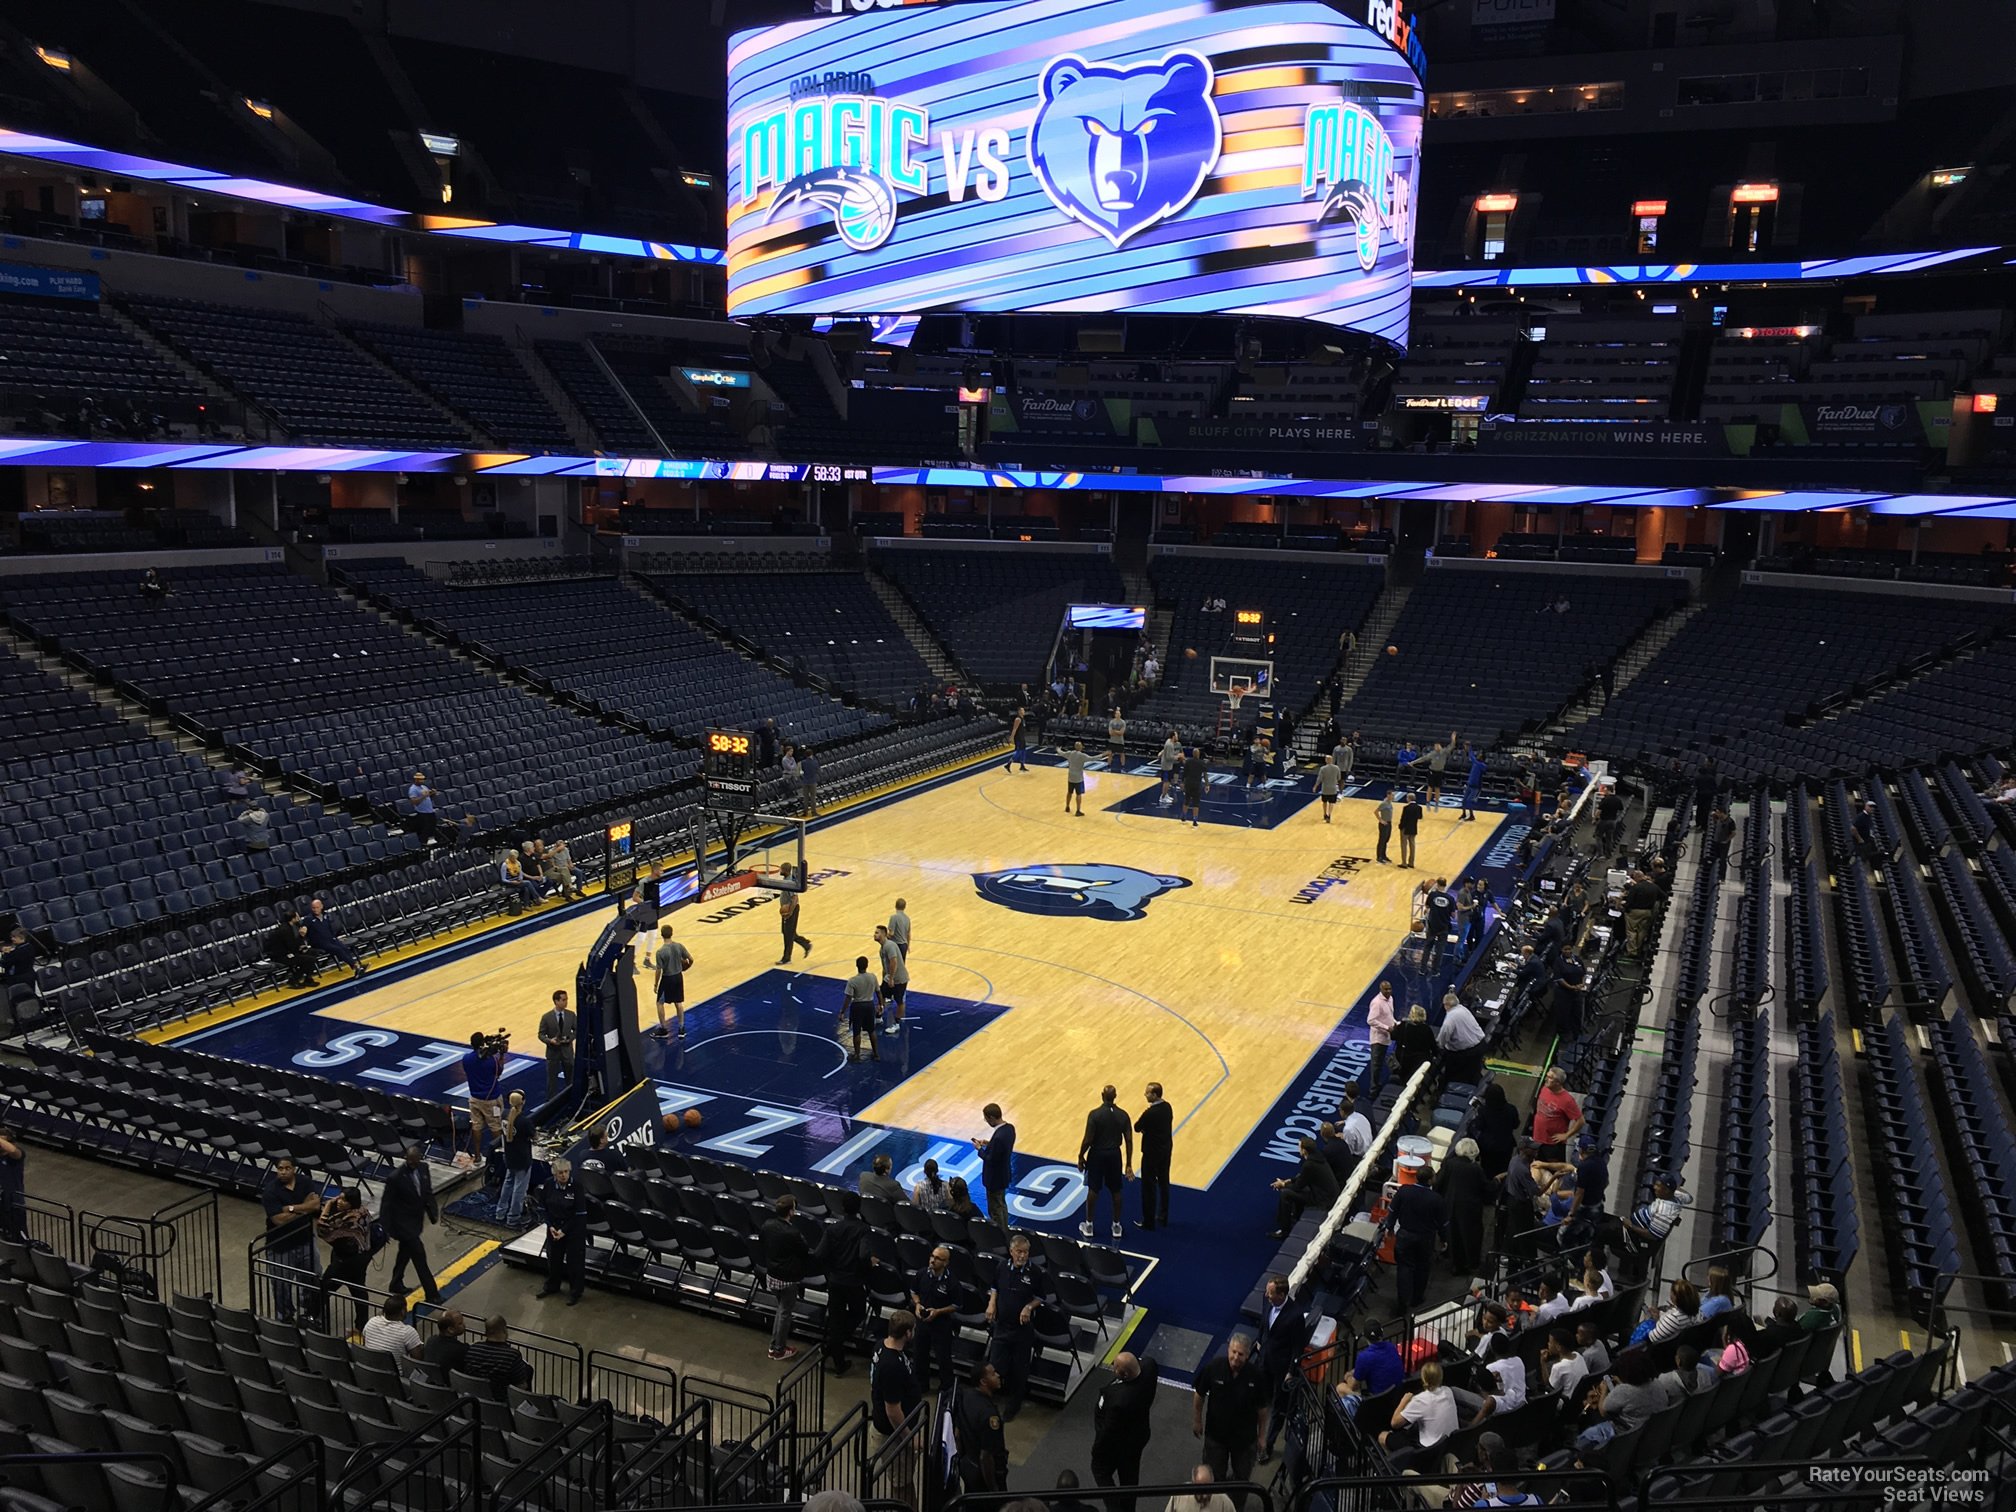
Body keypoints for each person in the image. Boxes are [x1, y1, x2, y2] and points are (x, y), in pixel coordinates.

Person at [1193, 1334, 1267, 1493]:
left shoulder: (1256, 1376)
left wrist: (1261, 1436)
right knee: (1213, 1478)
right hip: (1216, 1437)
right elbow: (1199, 1394)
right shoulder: (1213, 1367)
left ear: (1247, 1355)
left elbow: (1262, 1409)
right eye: (1233, 1351)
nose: (1235, 1357)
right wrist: (1197, 1421)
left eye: (1240, 1354)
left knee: (1241, 1481)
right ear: (1228, 1350)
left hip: (1245, 1441)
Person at [987, 1230, 1050, 1417]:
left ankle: (1014, 1404)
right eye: (1019, 1252)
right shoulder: (1001, 1267)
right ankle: (990, 1401)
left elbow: (1041, 1297)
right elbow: (994, 1286)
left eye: (1026, 1252)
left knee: (1019, 1370)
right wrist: (992, 1303)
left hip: (1022, 1331)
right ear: (1011, 1251)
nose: (1023, 1255)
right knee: (995, 1365)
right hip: (1002, 1326)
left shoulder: (1035, 1272)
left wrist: (1028, 1307)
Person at [814, 1191, 873, 1373]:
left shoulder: (833, 1229)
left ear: (842, 1208)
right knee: (858, 1314)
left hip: (835, 1281)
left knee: (836, 1318)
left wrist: (831, 1270)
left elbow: (819, 1254)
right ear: (859, 1209)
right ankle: (834, 1345)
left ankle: (836, 1354)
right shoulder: (863, 1229)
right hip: (854, 1282)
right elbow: (863, 1255)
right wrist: (868, 1265)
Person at [259, 1154, 321, 1324]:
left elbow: (316, 1205)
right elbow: (278, 1220)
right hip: (281, 1246)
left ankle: (309, 1311)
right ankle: (285, 1316)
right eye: (280, 1169)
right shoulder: (271, 1191)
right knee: (281, 1285)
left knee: (313, 1277)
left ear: (294, 1169)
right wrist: (305, 1208)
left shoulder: (305, 1182)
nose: (283, 1172)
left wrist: (291, 1208)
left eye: (287, 1168)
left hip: (306, 1240)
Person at [1255, 1276, 1309, 1460]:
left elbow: (1297, 1347)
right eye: (1267, 1292)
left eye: (1271, 1293)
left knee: (1278, 1407)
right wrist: (1259, 1340)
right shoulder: (1267, 1299)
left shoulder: (1295, 1315)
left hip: (1281, 1367)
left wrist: (1290, 1372)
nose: (1267, 1296)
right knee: (1259, 1399)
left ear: (1282, 1294)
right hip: (1264, 1360)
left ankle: (1267, 1445)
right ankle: (1254, 1437)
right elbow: (1263, 1321)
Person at [383, 1143, 442, 1303]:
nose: (413, 1165)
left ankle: (395, 1283)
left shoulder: (423, 1169)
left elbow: (427, 1192)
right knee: (419, 1258)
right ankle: (432, 1294)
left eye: (415, 1161)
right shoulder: (395, 1177)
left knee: (404, 1253)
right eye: (410, 1161)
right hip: (403, 1225)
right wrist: (386, 1228)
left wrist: (432, 1212)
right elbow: (386, 1204)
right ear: (405, 1159)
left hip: (416, 1221)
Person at [314, 1187, 372, 1337]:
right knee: (359, 1291)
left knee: (324, 1288)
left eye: (344, 1200)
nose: (339, 1202)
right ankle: (361, 1326)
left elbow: (323, 1230)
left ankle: (316, 1321)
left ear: (352, 1202)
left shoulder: (349, 1218)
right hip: (361, 1257)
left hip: (346, 1261)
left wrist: (326, 1208)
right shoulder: (363, 1211)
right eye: (339, 1198)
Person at [1390, 1166, 1448, 1314]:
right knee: (1422, 1267)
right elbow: (1442, 1223)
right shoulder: (1436, 1199)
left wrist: (1389, 1228)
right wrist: (1444, 1238)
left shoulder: (1404, 1191)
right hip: (1425, 1238)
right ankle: (1417, 1298)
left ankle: (1402, 1303)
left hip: (1405, 1235)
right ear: (1430, 1180)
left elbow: (1392, 1211)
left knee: (1404, 1268)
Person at [1078, 1083, 1133, 1240]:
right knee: (1116, 1191)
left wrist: (1081, 1155)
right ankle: (1116, 1226)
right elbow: (1129, 1140)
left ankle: (1089, 1225)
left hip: (1097, 1154)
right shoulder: (1123, 1115)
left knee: (1093, 1189)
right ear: (1115, 1096)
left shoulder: (1094, 1115)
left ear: (1102, 1095)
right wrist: (1128, 1163)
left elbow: (1088, 1139)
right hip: (1114, 1155)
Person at [759, 1196, 811, 1360]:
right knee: (784, 1313)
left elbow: (762, 1242)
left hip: (772, 1274)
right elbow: (804, 1251)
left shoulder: (767, 1225)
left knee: (781, 1310)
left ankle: (775, 1346)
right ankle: (779, 1349)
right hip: (787, 1278)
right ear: (791, 1212)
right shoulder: (792, 1233)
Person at [1380, 1359, 1456, 1467]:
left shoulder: (1420, 1400)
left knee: (1383, 1436)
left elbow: (1394, 1423)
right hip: (1447, 1446)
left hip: (1427, 1451)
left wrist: (1404, 1401)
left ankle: (1394, 1468)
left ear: (1423, 1378)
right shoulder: (1448, 1391)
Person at [534, 1159, 589, 1306]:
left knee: (574, 1263)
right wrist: (550, 1226)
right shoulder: (548, 1184)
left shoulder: (577, 1187)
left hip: (573, 1231)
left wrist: (564, 1231)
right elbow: (542, 1207)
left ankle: (575, 1292)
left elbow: (580, 1213)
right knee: (553, 1259)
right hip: (554, 1229)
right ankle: (552, 1286)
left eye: (566, 1172)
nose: (564, 1175)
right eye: (560, 1173)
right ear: (554, 1174)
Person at [1436, 1139, 1492, 1275]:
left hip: (1450, 1206)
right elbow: (1486, 1189)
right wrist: (1496, 1181)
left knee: (1453, 1234)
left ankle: (1454, 1262)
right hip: (1470, 1209)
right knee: (1469, 1237)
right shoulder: (1475, 1169)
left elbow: (1439, 1184)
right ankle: (1469, 1263)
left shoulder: (1449, 1163)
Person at [1268, 1135, 1339, 1240]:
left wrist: (1283, 1185)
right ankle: (1297, 1214)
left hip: (1323, 1199)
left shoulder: (1309, 1164)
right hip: (1329, 1193)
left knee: (1285, 1193)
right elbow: (1304, 1177)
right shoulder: (1318, 1157)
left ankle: (1284, 1231)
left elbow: (1298, 1186)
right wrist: (1289, 1181)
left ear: (1304, 1151)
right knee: (1295, 1183)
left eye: (1299, 1147)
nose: (1298, 1149)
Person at [909, 1245, 959, 1392]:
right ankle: (921, 1385)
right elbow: (913, 1291)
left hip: (941, 1324)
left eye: (938, 1259)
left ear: (945, 1262)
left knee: (943, 1358)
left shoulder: (952, 1282)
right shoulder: (922, 1274)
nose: (933, 1260)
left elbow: (956, 1305)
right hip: (922, 1322)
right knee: (919, 1355)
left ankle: (946, 1388)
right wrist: (917, 1304)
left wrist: (938, 1311)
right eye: (932, 1256)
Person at [952, 1364, 1008, 1491]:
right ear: (983, 1381)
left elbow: (958, 1434)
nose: (998, 1375)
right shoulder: (989, 1415)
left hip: (968, 1466)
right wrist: (993, 1487)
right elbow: (986, 1456)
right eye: (993, 1374)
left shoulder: (966, 1396)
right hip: (983, 1475)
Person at [871, 1311, 923, 1436]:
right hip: (892, 1434)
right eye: (913, 1329)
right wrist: (908, 1437)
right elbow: (893, 1411)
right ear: (908, 1333)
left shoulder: (881, 1344)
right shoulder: (891, 1366)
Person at [462, 1031, 507, 1161]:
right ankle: (500, 1157)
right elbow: (499, 1072)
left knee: (476, 1126)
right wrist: (502, 1055)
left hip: (474, 1098)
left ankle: (477, 1156)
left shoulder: (466, 1059)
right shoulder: (491, 1060)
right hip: (490, 1099)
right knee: (495, 1126)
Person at [1135, 1081, 1172, 1231]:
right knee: (1164, 1183)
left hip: (1151, 1153)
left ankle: (1148, 1221)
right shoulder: (1167, 1107)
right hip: (1166, 1150)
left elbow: (1137, 1127)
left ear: (1155, 1095)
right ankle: (1163, 1216)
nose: (1145, 1094)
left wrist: (1146, 1130)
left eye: (1148, 1093)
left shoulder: (1150, 1113)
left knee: (1148, 1187)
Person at [496, 1091, 537, 1226]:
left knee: (508, 1183)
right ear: (523, 1102)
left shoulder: (504, 1115)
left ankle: (500, 1212)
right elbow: (534, 1136)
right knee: (519, 1188)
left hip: (508, 1155)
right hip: (522, 1158)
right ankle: (513, 1217)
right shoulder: (524, 1121)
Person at [462, 1315, 534, 1390]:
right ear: (504, 1330)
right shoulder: (512, 1356)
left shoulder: (474, 1349)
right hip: (502, 1399)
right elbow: (521, 1386)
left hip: (476, 1398)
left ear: (486, 1332)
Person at [976, 1104, 1017, 1227]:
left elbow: (990, 1159)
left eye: (987, 1119)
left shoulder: (998, 1137)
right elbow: (1001, 1148)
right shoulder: (1009, 1128)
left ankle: (1000, 1233)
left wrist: (979, 1149)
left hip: (995, 1178)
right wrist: (990, 1143)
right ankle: (1004, 1229)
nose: (986, 1121)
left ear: (992, 1117)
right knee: (1001, 1204)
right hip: (1004, 1173)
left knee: (995, 1210)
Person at [302, 898, 365, 978]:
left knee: (344, 947)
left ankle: (356, 966)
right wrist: (303, 931)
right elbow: (303, 929)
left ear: (321, 906)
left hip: (330, 939)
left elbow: (330, 929)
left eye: (317, 907)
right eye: (313, 908)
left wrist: (336, 938)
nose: (315, 910)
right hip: (319, 943)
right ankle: (356, 966)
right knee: (337, 949)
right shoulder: (308, 919)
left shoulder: (326, 916)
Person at [1531, 1068, 1583, 1161]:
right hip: (1537, 1137)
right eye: (1547, 1076)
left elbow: (1580, 1121)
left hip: (1552, 1144)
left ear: (1558, 1083)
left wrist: (1566, 1135)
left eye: (1550, 1078)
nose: (1546, 1079)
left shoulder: (1567, 1100)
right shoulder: (1545, 1088)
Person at [1436, 993, 1486, 1086]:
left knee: (1454, 1076)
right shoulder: (1463, 1009)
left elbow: (1442, 1040)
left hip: (1466, 1053)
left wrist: (1439, 1047)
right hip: (1480, 1046)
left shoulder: (1450, 1019)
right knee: (1474, 1073)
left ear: (1446, 1005)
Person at [653, 925, 693, 1038]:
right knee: (678, 1002)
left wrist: (656, 984)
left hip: (667, 978)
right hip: (678, 977)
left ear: (661, 935)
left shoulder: (660, 952)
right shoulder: (679, 946)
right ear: (672, 933)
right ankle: (681, 1029)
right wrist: (686, 968)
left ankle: (664, 1029)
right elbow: (691, 959)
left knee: (659, 1003)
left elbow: (658, 970)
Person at [838, 954, 881, 1061]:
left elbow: (848, 998)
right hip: (870, 1005)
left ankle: (857, 1055)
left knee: (856, 1031)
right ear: (867, 965)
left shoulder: (852, 981)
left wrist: (842, 1011)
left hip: (857, 1006)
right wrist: (881, 1004)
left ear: (856, 966)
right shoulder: (873, 977)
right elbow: (878, 992)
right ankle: (876, 1054)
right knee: (871, 1030)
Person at [538, 990, 577, 1103]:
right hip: (552, 1052)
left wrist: (570, 1038)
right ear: (556, 1001)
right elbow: (541, 1034)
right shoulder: (546, 1017)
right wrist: (550, 1041)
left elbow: (577, 1030)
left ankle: (572, 1098)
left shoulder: (571, 1015)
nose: (566, 1002)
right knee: (552, 1079)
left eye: (566, 999)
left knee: (570, 1077)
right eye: (563, 1000)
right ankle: (551, 1101)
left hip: (567, 1051)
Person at [1473, 1083, 1518, 1179]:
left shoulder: (1483, 1111)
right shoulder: (1511, 1109)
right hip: (1506, 1146)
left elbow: (1479, 1126)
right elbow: (1516, 1125)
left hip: (1488, 1148)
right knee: (1503, 1169)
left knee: (1487, 1170)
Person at [264, 908, 317, 988]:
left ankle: (308, 978)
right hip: (283, 955)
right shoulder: (285, 930)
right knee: (310, 959)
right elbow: (291, 946)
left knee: (312, 953)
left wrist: (301, 946)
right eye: (297, 916)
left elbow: (293, 944)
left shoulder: (293, 926)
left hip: (290, 951)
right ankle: (294, 980)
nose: (299, 917)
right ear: (293, 918)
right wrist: (301, 937)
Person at [363, 1293, 423, 1359]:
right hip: (394, 1369)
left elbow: (365, 1342)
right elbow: (417, 1359)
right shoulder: (407, 1332)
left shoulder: (371, 1322)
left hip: (368, 1367)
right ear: (402, 1311)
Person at [876, 923, 909, 1035]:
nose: (874, 935)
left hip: (899, 978)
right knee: (881, 995)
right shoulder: (882, 949)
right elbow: (885, 966)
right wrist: (884, 979)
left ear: (884, 934)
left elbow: (893, 962)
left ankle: (897, 1024)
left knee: (899, 1001)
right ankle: (878, 1016)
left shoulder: (889, 946)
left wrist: (891, 978)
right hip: (889, 977)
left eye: (877, 933)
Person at [1391, 1005, 1437, 1083]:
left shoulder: (1403, 1026)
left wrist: (1394, 1029)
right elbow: (1433, 1047)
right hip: (1421, 1061)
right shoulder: (1427, 1029)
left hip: (1405, 1059)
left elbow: (1393, 1036)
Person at [1422, 879, 1457, 973]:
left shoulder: (1432, 895)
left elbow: (1427, 907)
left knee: (1427, 947)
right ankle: (1435, 971)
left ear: (1437, 884)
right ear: (1445, 885)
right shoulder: (1450, 898)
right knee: (1440, 950)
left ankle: (1422, 969)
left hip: (1432, 925)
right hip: (1444, 926)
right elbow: (1453, 915)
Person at [1366, 980, 1396, 1089]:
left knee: (1382, 1061)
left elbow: (1389, 1016)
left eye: (1390, 989)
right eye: (1386, 989)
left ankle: (1377, 1083)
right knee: (1376, 1064)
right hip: (1378, 1038)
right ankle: (1373, 1088)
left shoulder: (1390, 999)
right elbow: (1370, 1020)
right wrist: (1387, 1028)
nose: (1388, 991)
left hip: (1387, 1035)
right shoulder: (1377, 1003)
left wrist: (1396, 1023)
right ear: (1381, 989)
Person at [1167, 1465, 1237, 1512]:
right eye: (1200, 1490)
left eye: (1208, 1490)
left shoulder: (1224, 1502)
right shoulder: (1180, 1495)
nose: (1205, 1495)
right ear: (1193, 1484)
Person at [422, 1309, 469, 1374]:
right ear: (450, 1329)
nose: (464, 1325)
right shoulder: (461, 1350)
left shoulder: (430, 1340)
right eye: (460, 1324)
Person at [778, 883, 812, 964]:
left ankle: (786, 958)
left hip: (791, 910)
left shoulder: (789, 882)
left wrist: (790, 911)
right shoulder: (786, 880)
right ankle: (805, 944)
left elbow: (795, 898)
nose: (780, 870)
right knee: (786, 931)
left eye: (782, 869)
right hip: (788, 910)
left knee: (789, 934)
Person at [407, 771, 438, 841]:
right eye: (420, 779)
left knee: (431, 828)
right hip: (422, 813)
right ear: (416, 780)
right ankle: (423, 843)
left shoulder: (424, 787)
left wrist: (433, 793)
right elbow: (414, 802)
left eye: (422, 779)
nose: (422, 781)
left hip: (430, 811)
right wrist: (423, 796)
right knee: (425, 831)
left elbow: (429, 797)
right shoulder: (413, 789)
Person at [1460, 745, 1486, 822]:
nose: (1478, 756)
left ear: (1482, 758)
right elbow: (1472, 756)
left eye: (1479, 756)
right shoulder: (1476, 763)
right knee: (1464, 800)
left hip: (1476, 787)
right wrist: (1469, 748)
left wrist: (1469, 748)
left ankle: (1472, 816)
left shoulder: (1482, 765)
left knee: (1469, 801)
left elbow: (1472, 756)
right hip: (1469, 784)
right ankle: (1464, 813)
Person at [1181, 747, 1205, 827]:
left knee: (1186, 800)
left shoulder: (1188, 762)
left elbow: (1184, 773)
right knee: (1196, 803)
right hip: (1197, 784)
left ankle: (1184, 816)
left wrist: (1182, 782)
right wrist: (1207, 784)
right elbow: (1205, 774)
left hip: (1188, 783)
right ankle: (1195, 820)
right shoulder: (1202, 763)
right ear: (1198, 754)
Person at [1398, 791, 1423, 868]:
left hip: (1405, 829)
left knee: (1404, 845)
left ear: (1409, 799)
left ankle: (1404, 863)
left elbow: (1403, 819)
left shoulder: (1406, 808)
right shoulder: (1419, 807)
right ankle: (1411, 862)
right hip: (1413, 828)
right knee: (1412, 845)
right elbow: (1420, 817)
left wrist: (1400, 826)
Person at [1159, 731, 1184, 805]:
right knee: (1166, 782)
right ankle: (1162, 797)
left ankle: (1165, 795)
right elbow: (1169, 757)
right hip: (1166, 766)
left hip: (1168, 765)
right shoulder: (1170, 745)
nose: (1177, 736)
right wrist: (1178, 757)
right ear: (1173, 736)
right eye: (1176, 735)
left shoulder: (1169, 742)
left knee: (1168, 781)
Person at [1066, 741, 1090, 816]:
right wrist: (1103, 755)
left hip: (1070, 777)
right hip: (1078, 778)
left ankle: (1067, 806)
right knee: (1078, 794)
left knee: (1069, 792)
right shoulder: (1082, 755)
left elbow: (1061, 753)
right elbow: (1092, 758)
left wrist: (1058, 749)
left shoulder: (1070, 753)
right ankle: (1078, 810)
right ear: (1080, 747)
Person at [1316, 754, 1342, 823]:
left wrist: (1315, 786)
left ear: (1326, 760)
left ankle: (1325, 814)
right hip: (1333, 788)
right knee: (1331, 803)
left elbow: (1319, 779)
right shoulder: (1337, 768)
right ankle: (1329, 815)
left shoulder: (1323, 768)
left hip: (1325, 788)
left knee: (1324, 802)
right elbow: (1339, 778)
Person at [1373, 789, 1394, 864]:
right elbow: (1376, 811)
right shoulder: (1384, 803)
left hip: (1389, 823)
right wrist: (1380, 820)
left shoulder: (1389, 802)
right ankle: (1379, 857)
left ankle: (1384, 855)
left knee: (1386, 840)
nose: (1393, 796)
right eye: (1392, 795)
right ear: (1388, 795)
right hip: (1384, 824)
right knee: (1382, 840)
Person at [1006, 707, 1030, 773]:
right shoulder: (1018, 719)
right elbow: (1014, 729)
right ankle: (1008, 764)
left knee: (1023, 751)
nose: (1024, 711)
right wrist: (1011, 737)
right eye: (1023, 710)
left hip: (1022, 737)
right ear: (1019, 711)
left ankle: (1022, 765)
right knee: (1019, 752)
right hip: (1018, 738)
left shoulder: (1022, 719)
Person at [799, 748, 820, 814]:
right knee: (813, 797)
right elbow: (817, 770)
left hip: (805, 781)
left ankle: (805, 812)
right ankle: (813, 812)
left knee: (806, 798)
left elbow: (803, 770)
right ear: (811, 754)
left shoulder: (803, 762)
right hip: (812, 781)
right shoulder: (815, 762)